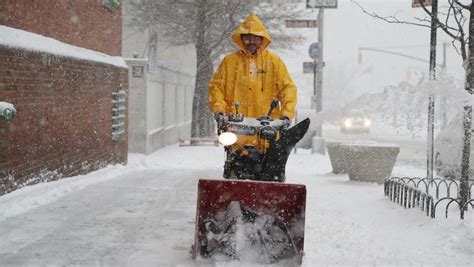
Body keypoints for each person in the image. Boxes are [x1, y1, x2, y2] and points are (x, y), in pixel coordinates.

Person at [208, 13, 297, 149]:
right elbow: (216, 88)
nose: (251, 42)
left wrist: (286, 114)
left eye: (255, 38)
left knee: (272, 166)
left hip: (267, 129)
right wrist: (219, 111)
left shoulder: (274, 62)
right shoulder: (229, 62)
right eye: (247, 38)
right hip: (236, 128)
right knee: (232, 164)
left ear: (262, 40)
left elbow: (288, 89)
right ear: (241, 39)